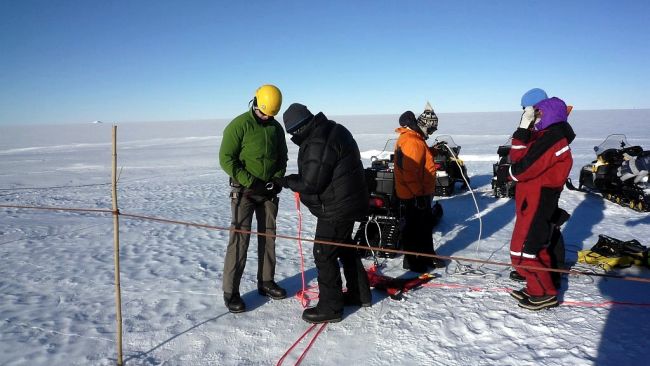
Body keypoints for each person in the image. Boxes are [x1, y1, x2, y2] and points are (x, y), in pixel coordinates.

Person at [274, 103, 372, 324]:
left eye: (292, 133)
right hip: (350, 201)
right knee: (344, 248)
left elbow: (311, 182)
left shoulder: (318, 141)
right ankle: (360, 294)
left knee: (324, 253)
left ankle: (331, 307)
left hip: (338, 207)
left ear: (298, 129)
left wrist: (286, 181)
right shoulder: (331, 129)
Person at [496, 95, 575, 310]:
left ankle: (544, 294)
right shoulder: (544, 135)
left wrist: (509, 173)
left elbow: (526, 167)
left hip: (539, 199)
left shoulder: (554, 138)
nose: (536, 118)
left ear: (548, 113)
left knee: (523, 252)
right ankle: (538, 288)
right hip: (530, 198)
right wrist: (523, 129)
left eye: (538, 114)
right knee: (535, 249)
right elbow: (519, 156)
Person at [218, 84, 289, 313]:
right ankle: (231, 292)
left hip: (268, 191)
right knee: (240, 240)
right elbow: (226, 159)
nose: (266, 117)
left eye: (271, 114)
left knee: (268, 236)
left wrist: (276, 180)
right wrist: (251, 181)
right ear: (255, 103)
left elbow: (282, 157)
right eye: (263, 113)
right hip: (245, 192)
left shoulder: (276, 128)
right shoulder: (239, 125)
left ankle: (266, 281)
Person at [393, 102, 446, 273]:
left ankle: (425, 256)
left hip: (417, 192)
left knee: (423, 226)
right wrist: (418, 196)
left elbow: (420, 157)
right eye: (431, 130)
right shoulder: (412, 141)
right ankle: (412, 261)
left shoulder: (415, 139)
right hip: (413, 194)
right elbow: (410, 172)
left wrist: (433, 151)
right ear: (424, 125)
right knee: (413, 228)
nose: (431, 133)